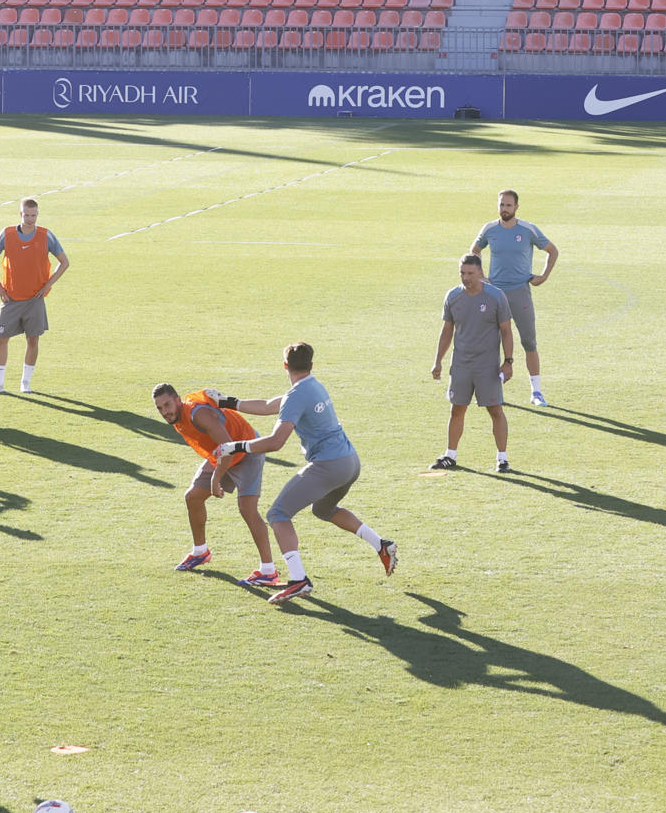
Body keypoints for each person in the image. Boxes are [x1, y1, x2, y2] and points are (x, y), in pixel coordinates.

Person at [215, 343, 397, 604]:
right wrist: (227, 402)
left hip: (329, 465)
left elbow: (276, 442)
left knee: (277, 514)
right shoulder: (312, 386)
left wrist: (236, 446)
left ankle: (298, 580)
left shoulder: (295, 395)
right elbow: (269, 405)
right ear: (311, 366)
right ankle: (382, 545)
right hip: (350, 461)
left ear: (285, 366)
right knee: (324, 510)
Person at [152, 383, 279, 586]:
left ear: (178, 400)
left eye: (167, 405)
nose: (165, 412)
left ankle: (269, 571)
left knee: (247, 510)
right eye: (160, 408)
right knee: (193, 497)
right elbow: (221, 450)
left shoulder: (197, 414)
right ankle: (200, 552)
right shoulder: (178, 416)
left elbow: (229, 448)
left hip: (247, 451)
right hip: (221, 454)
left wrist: (216, 478)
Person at [469, 189, 557, 406]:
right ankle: (493, 391)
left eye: (508, 205)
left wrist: (544, 276)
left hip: (520, 293)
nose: (504, 209)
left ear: (516, 207)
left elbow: (552, 250)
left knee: (529, 340)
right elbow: (474, 251)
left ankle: (536, 392)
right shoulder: (489, 229)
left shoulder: (527, 230)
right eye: (501, 205)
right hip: (495, 294)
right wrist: (482, 277)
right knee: (491, 342)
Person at [430, 255, 516, 472]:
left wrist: (508, 361)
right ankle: (450, 455)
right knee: (457, 409)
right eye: (462, 273)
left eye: (470, 273)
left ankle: (502, 458)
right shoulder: (453, 296)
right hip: (461, 364)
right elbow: (447, 330)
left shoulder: (496, 297)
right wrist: (438, 361)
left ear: (480, 273)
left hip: (488, 366)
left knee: (495, 410)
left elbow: (506, 330)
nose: (466, 278)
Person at [0, 198, 70, 395]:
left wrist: (48, 284)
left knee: (33, 340)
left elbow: (64, 262)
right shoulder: (7, 234)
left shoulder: (46, 236)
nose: (30, 219)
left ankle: (25, 383)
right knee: (1, 339)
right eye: (27, 215)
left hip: (34, 300)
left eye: (34, 215)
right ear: (20, 214)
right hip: (10, 298)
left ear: (37, 214)